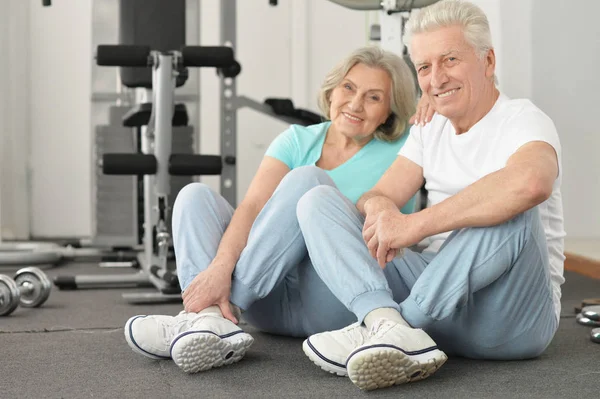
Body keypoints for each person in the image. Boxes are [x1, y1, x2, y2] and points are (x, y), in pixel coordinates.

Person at [297, 0, 565, 392]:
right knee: (316, 199)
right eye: (424, 67)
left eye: (450, 59)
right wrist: (384, 212)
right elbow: (377, 194)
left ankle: (395, 325)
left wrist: (413, 226)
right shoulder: (429, 125)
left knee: (513, 207)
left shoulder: (523, 119)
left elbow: (531, 184)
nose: (436, 78)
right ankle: (386, 323)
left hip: (511, 317)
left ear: (488, 61)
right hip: (441, 305)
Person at [123, 45, 426, 373]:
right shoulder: (298, 139)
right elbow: (252, 207)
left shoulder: (409, 146)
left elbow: (454, 125)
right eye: (348, 88)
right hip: (266, 299)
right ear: (332, 89)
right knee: (194, 196)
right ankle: (207, 318)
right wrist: (221, 267)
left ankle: (215, 315)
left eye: (373, 97)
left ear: (391, 110)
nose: (355, 104)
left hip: (335, 298)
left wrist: (434, 105)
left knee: (309, 181)